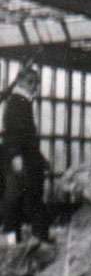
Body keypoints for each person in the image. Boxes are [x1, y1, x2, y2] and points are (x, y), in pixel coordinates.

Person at [1, 68, 48, 242]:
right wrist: (16, 156)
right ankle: (25, 239)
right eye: (31, 82)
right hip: (20, 160)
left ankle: (19, 238)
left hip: (24, 158)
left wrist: (40, 158)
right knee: (19, 198)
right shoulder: (17, 103)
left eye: (36, 83)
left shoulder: (21, 102)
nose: (35, 87)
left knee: (21, 198)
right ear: (20, 82)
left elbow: (24, 134)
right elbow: (13, 132)